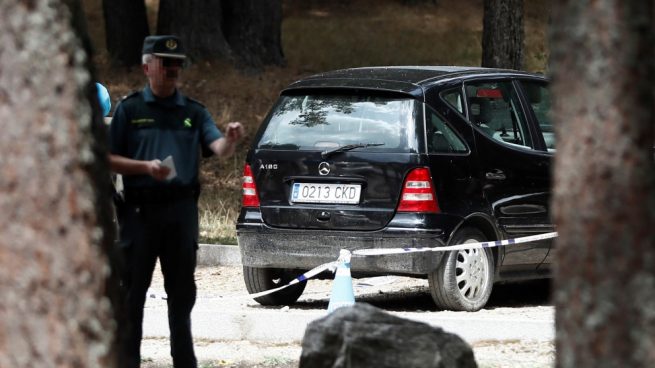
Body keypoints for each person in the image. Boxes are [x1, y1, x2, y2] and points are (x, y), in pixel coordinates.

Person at [108, 35, 244, 368]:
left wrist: (229, 140)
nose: (173, 70)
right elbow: (107, 158)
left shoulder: (193, 112)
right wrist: (144, 168)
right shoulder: (130, 109)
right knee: (132, 295)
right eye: (165, 63)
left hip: (180, 213)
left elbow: (218, 149)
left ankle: (184, 362)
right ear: (146, 67)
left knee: (181, 296)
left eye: (178, 64)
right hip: (139, 213)